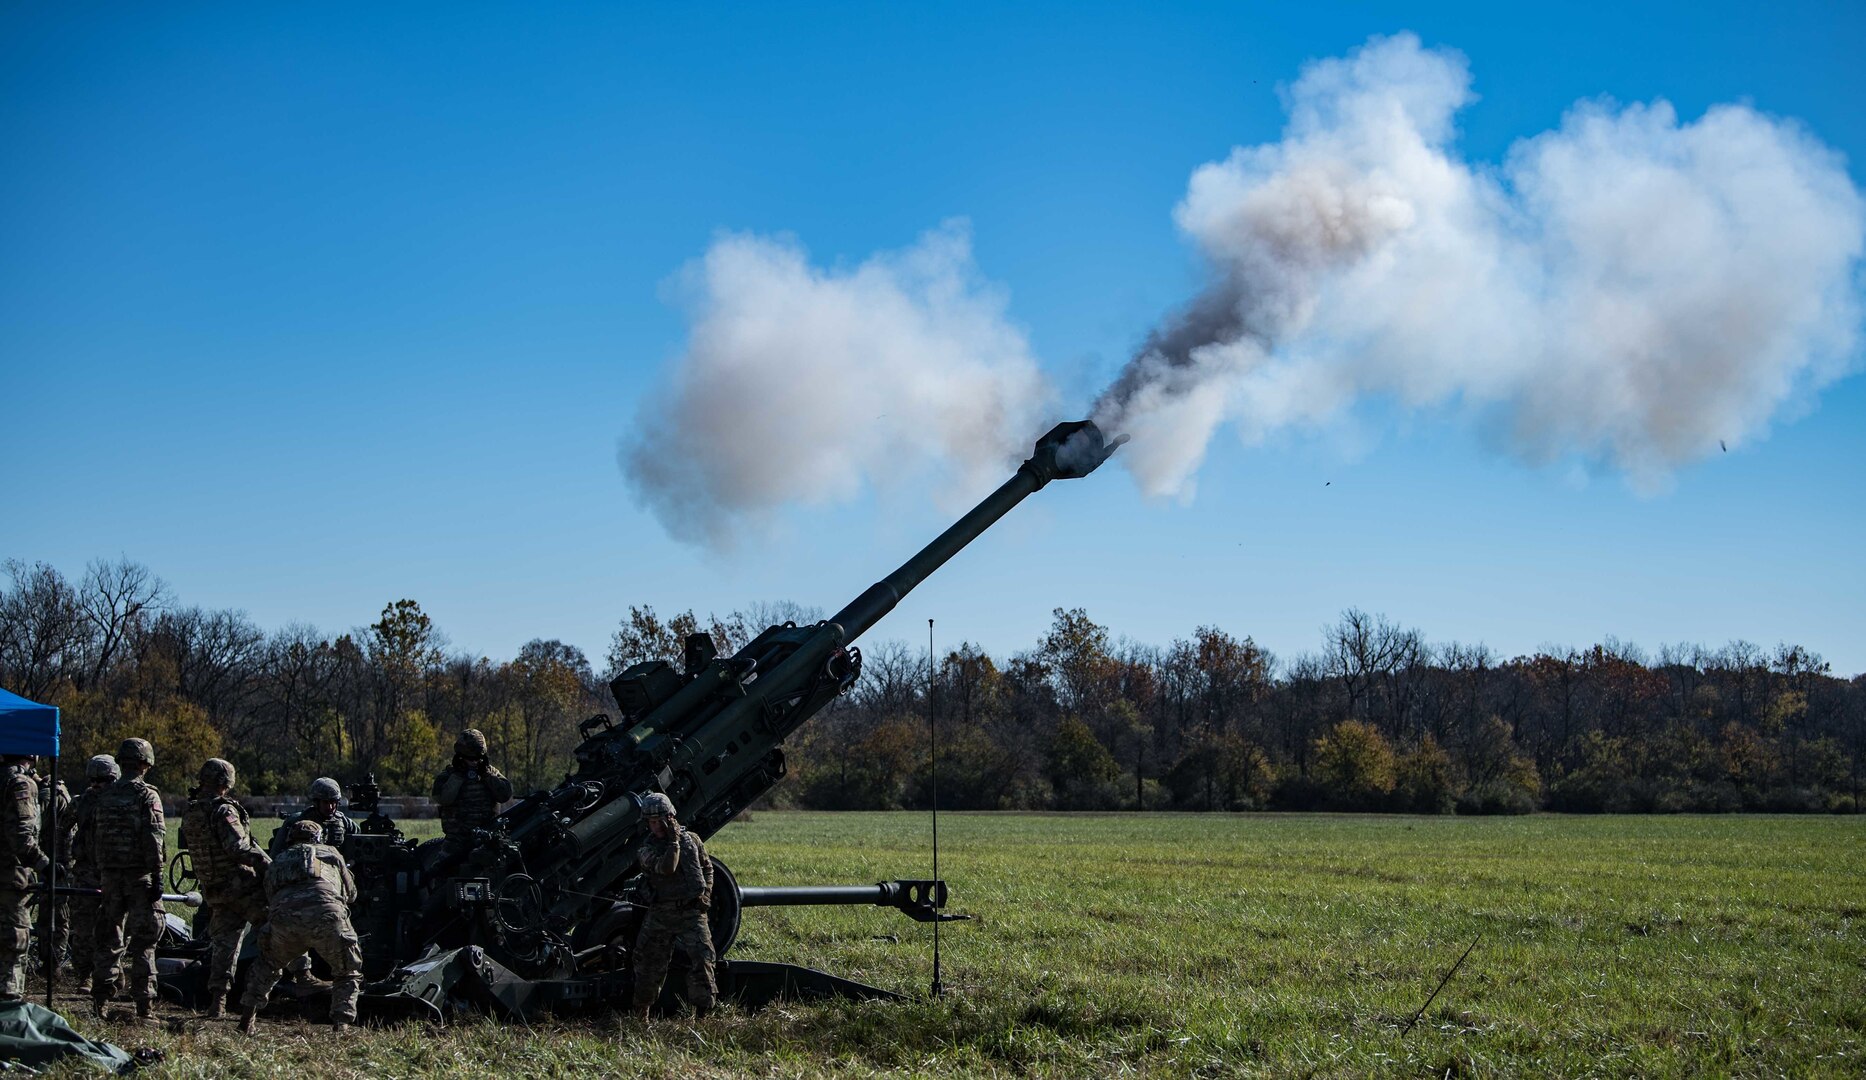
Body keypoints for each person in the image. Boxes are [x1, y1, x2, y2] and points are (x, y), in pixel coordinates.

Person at [238, 820, 362, 1035]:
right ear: (319, 838)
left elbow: (270, 896)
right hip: (327, 917)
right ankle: (341, 1026)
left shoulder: (278, 861)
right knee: (347, 971)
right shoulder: (331, 853)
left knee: (267, 967)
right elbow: (351, 895)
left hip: (285, 921)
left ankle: (246, 1021)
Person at [179, 758, 271, 1018]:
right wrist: (266, 864)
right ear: (226, 782)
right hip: (242, 887)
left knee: (225, 946)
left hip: (216, 889)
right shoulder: (223, 810)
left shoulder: (192, 811)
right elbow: (238, 848)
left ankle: (217, 1002)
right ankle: (301, 975)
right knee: (278, 927)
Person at [85, 737, 165, 1019]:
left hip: (110, 877)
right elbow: (154, 837)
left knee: (108, 938)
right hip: (139, 877)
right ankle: (145, 1007)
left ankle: (100, 1003)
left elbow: (95, 836)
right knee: (145, 941)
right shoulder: (147, 795)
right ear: (146, 763)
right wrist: (158, 875)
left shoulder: (104, 795)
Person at [627, 792, 715, 1018]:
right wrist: (674, 841)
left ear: (670, 818)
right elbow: (668, 867)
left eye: (658, 821)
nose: (655, 826)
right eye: (651, 822)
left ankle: (703, 1017)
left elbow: (707, 868)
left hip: (691, 912)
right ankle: (641, 1016)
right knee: (648, 965)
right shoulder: (647, 849)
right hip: (661, 914)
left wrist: (706, 895)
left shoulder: (692, 840)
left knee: (703, 962)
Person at [64, 755, 118, 995]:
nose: (97, 785)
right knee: (83, 928)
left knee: (113, 927)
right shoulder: (80, 803)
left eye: (103, 780)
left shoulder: (121, 801)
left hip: (114, 871)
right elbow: (59, 829)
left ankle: (113, 973)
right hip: (86, 872)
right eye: (94, 780)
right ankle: (85, 976)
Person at [0, 753, 50, 1001]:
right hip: (9, 877)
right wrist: (43, 863)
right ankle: (8, 1005)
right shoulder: (20, 783)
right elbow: (21, 835)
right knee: (14, 939)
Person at [432, 730, 512, 844]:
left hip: (487, 837)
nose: (475, 762)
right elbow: (443, 798)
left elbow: (505, 795)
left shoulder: (490, 772)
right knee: (446, 861)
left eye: (478, 758)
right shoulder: (449, 774)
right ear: (461, 757)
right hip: (457, 839)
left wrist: (487, 775)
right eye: (470, 758)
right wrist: (458, 775)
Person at [31, 762, 69, 979]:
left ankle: (53, 962)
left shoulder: (49, 794)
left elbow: (35, 824)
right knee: (48, 913)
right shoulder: (54, 790)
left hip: (57, 863)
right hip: (51, 862)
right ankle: (49, 961)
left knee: (56, 914)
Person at [269, 778, 356, 855]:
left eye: (333, 802)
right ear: (316, 802)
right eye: (325, 802)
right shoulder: (296, 821)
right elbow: (276, 854)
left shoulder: (346, 823)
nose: (330, 807)